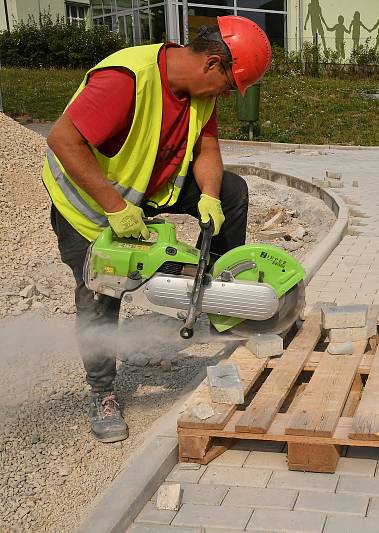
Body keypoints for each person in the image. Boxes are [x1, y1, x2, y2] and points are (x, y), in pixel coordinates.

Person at [42, 16, 272, 443]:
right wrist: (115, 208)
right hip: (89, 200)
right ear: (212, 64)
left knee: (231, 191)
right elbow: (61, 140)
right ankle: (102, 392)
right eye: (228, 86)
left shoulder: (200, 94)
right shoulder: (128, 79)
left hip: (148, 187)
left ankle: (218, 299)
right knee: (101, 287)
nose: (225, 95)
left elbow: (207, 147)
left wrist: (208, 194)